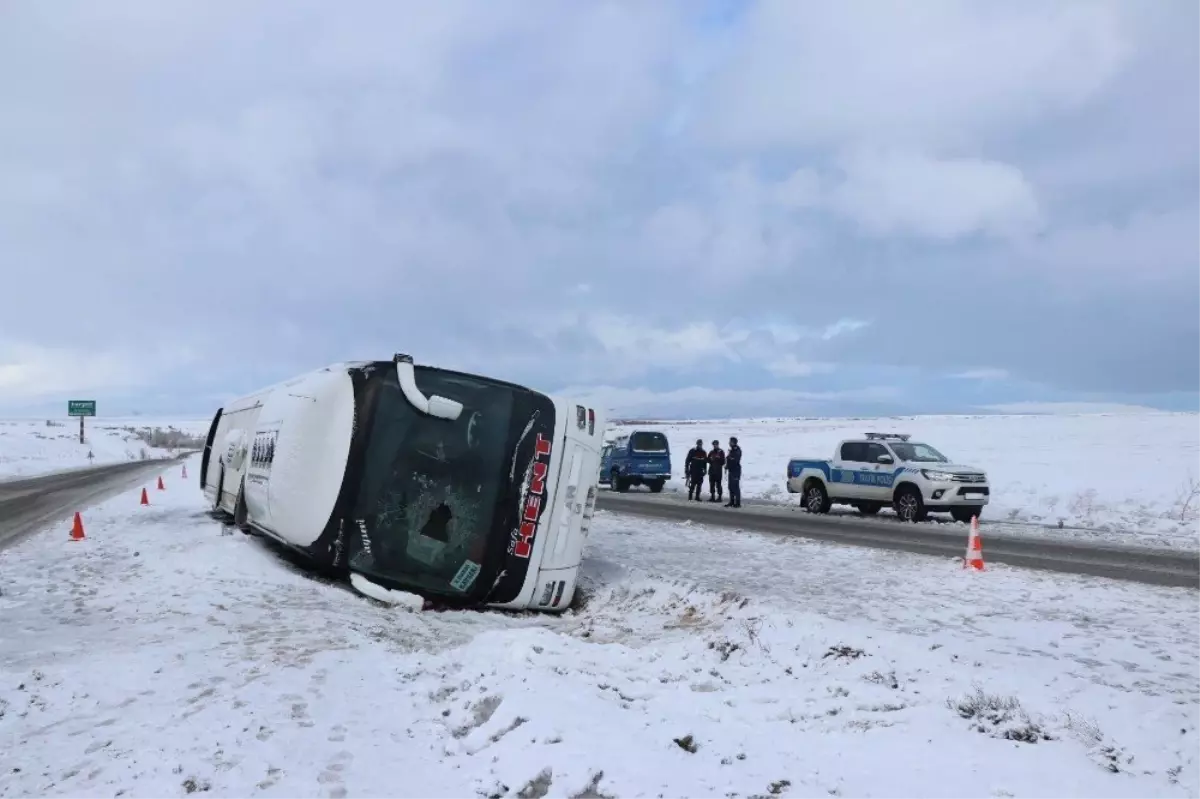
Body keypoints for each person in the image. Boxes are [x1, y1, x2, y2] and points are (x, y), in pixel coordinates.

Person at [724, 436, 742, 508]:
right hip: (731, 470)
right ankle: (731, 502)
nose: (729, 443)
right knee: (730, 487)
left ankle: (737, 503)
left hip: (736, 471)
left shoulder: (737, 450)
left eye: (730, 442)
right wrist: (727, 466)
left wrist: (729, 459)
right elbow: (730, 459)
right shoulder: (731, 450)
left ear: (733, 442)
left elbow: (735, 460)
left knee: (735, 487)